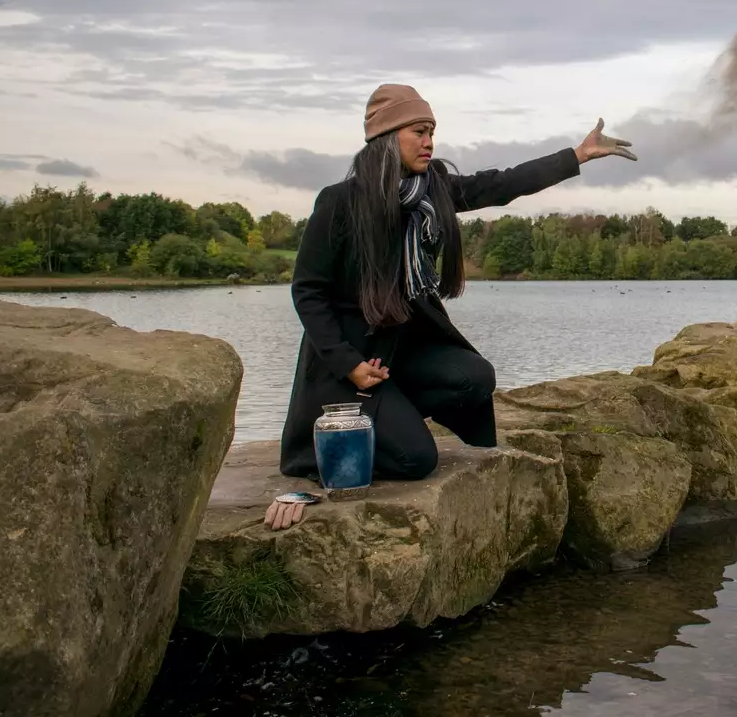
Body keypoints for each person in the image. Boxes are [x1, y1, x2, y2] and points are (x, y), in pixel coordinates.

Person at [265, 83, 635, 530]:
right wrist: (349, 364)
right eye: (419, 132)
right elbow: (308, 291)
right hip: (353, 366)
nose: (429, 142)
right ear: (386, 137)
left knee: (474, 377)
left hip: (401, 355)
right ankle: (357, 435)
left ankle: (391, 411)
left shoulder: (430, 190)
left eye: (432, 132)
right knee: (417, 459)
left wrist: (576, 155)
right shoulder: (339, 202)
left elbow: (499, 185)